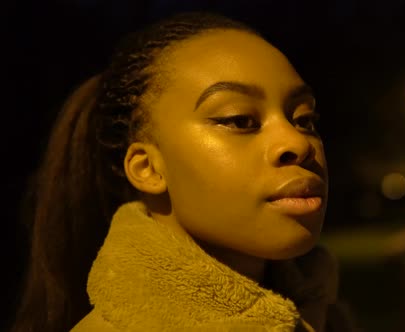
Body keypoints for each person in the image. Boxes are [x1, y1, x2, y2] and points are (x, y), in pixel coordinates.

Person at [12, 11, 355, 332]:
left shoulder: (328, 316)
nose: (296, 141)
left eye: (304, 119)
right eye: (239, 120)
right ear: (147, 168)